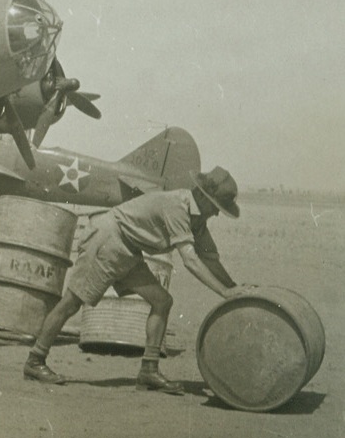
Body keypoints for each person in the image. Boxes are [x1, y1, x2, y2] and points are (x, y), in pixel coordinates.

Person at [23, 166, 246, 394]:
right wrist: (224, 292)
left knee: (162, 301)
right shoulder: (178, 206)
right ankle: (35, 361)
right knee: (71, 302)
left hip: (128, 249)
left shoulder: (197, 220)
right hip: (108, 239)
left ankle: (149, 370)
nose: (217, 213)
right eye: (216, 207)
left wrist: (234, 288)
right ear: (201, 195)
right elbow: (190, 260)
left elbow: (210, 259)